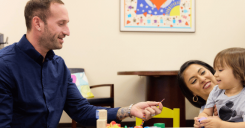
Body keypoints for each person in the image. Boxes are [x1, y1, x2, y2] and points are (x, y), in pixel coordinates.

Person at [0, 0, 163, 127]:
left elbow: (83, 112)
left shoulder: (59, 66)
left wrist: (130, 110)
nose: (67, 31)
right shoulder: (4, 66)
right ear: (37, 23)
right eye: (61, 23)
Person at [178, 49, 245, 128]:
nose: (202, 79)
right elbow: (205, 114)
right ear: (191, 93)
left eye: (202, 72)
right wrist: (201, 120)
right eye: (194, 81)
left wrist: (222, 124)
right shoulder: (213, 97)